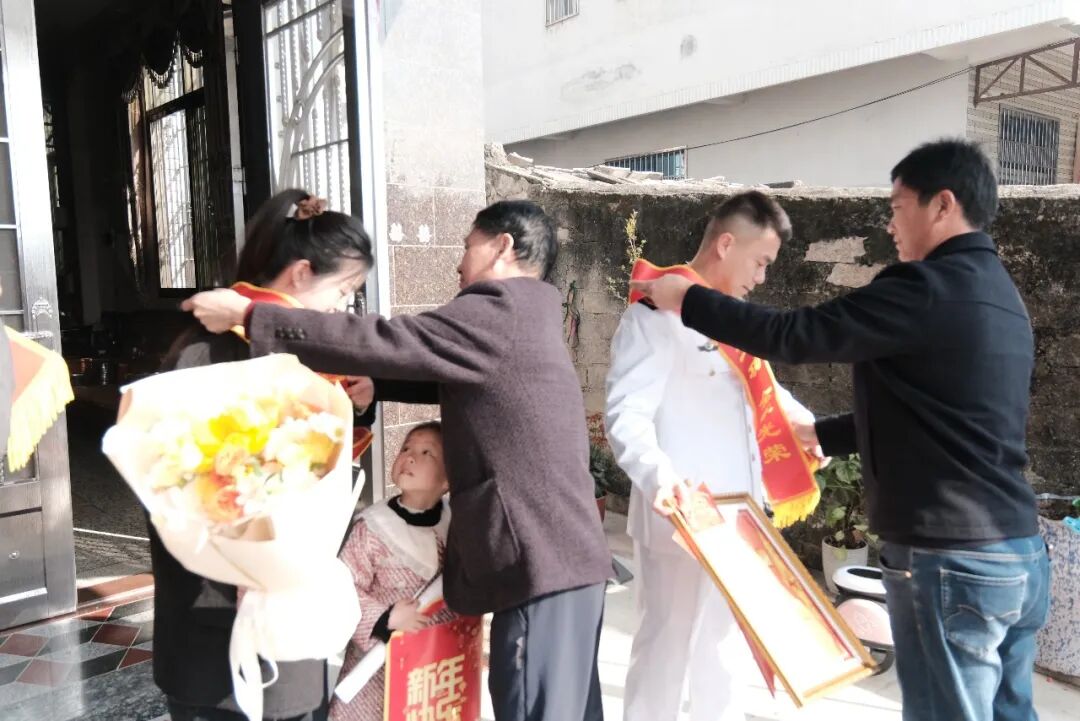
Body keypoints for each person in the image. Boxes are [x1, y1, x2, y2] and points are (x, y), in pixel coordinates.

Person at [631, 139, 1048, 721]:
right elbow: (940, 417)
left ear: (942, 205)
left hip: (950, 557)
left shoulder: (925, 287)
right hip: (1017, 553)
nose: (890, 223)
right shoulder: (1002, 296)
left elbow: (796, 336)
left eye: (898, 207)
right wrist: (823, 437)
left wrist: (691, 299)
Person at [182, 200, 612, 721]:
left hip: (541, 566)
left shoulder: (499, 307)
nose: (459, 262)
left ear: (502, 246)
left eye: (467, 246)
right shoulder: (529, 316)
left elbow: (391, 340)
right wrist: (377, 384)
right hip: (564, 562)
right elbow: (453, 373)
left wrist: (252, 316)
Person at [154, 189, 375, 721]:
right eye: (344, 290)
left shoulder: (313, 363)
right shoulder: (210, 351)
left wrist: (357, 409)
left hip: (286, 615)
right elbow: (174, 484)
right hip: (217, 613)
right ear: (300, 274)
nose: (343, 308)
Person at [605, 191, 816, 721]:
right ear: (726, 244)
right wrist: (663, 481)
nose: (762, 277)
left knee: (724, 652)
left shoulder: (734, 320)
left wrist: (810, 431)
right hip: (682, 515)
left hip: (739, 518)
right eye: (760, 262)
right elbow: (626, 415)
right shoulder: (655, 316)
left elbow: (765, 396)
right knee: (666, 647)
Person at [331, 421, 453, 721]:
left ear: (447, 479)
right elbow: (343, 587)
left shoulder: (455, 525)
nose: (410, 457)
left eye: (426, 453)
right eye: (406, 448)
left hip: (433, 660)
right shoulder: (373, 527)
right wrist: (385, 619)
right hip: (377, 663)